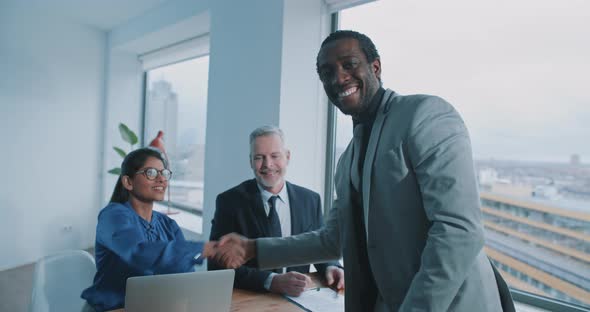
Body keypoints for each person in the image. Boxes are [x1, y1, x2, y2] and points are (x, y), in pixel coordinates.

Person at [219, 30, 515, 312]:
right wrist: (253, 248)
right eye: (327, 73)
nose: (339, 77)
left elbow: (459, 231)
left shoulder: (425, 115)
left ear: (375, 67)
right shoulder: (347, 160)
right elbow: (332, 239)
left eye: (349, 65)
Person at [81, 147, 243, 312]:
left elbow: (183, 272)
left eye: (164, 173)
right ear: (128, 182)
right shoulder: (112, 216)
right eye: (151, 173)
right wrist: (207, 248)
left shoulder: (168, 224)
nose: (161, 179)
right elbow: (138, 253)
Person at [209, 125, 344, 297]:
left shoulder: (310, 200)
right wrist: (270, 281)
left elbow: (319, 244)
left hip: (299, 300)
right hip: (253, 300)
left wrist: (332, 266)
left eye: (274, 156)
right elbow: (216, 264)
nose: (268, 165)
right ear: (250, 161)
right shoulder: (230, 202)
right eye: (259, 157)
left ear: (287, 157)